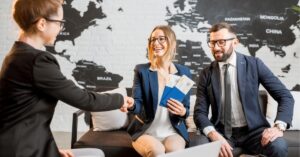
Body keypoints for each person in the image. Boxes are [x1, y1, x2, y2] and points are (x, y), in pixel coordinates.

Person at [0, 0, 134, 157]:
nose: (61, 28)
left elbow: (28, 117)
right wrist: (121, 100)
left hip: (22, 146)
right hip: (23, 150)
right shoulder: (38, 61)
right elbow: (85, 100)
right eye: (59, 23)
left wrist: (54, 151)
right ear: (42, 24)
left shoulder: (16, 54)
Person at [193, 22, 294, 157]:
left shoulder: (254, 64)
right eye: (212, 43)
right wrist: (213, 134)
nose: (216, 47)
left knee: (279, 146)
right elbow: (200, 112)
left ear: (235, 42)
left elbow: (285, 96)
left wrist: (279, 127)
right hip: (222, 131)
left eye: (221, 42)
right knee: (198, 145)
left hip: (254, 132)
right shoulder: (206, 73)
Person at [126, 25, 192, 157]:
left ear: (171, 42)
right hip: (146, 132)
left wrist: (183, 111)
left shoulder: (184, 72)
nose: (156, 43)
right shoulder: (142, 71)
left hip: (173, 131)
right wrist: (132, 104)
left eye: (161, 39)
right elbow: (138, 104)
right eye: (153, 39)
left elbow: (186, 108)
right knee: (157, 151)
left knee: (175, 151)